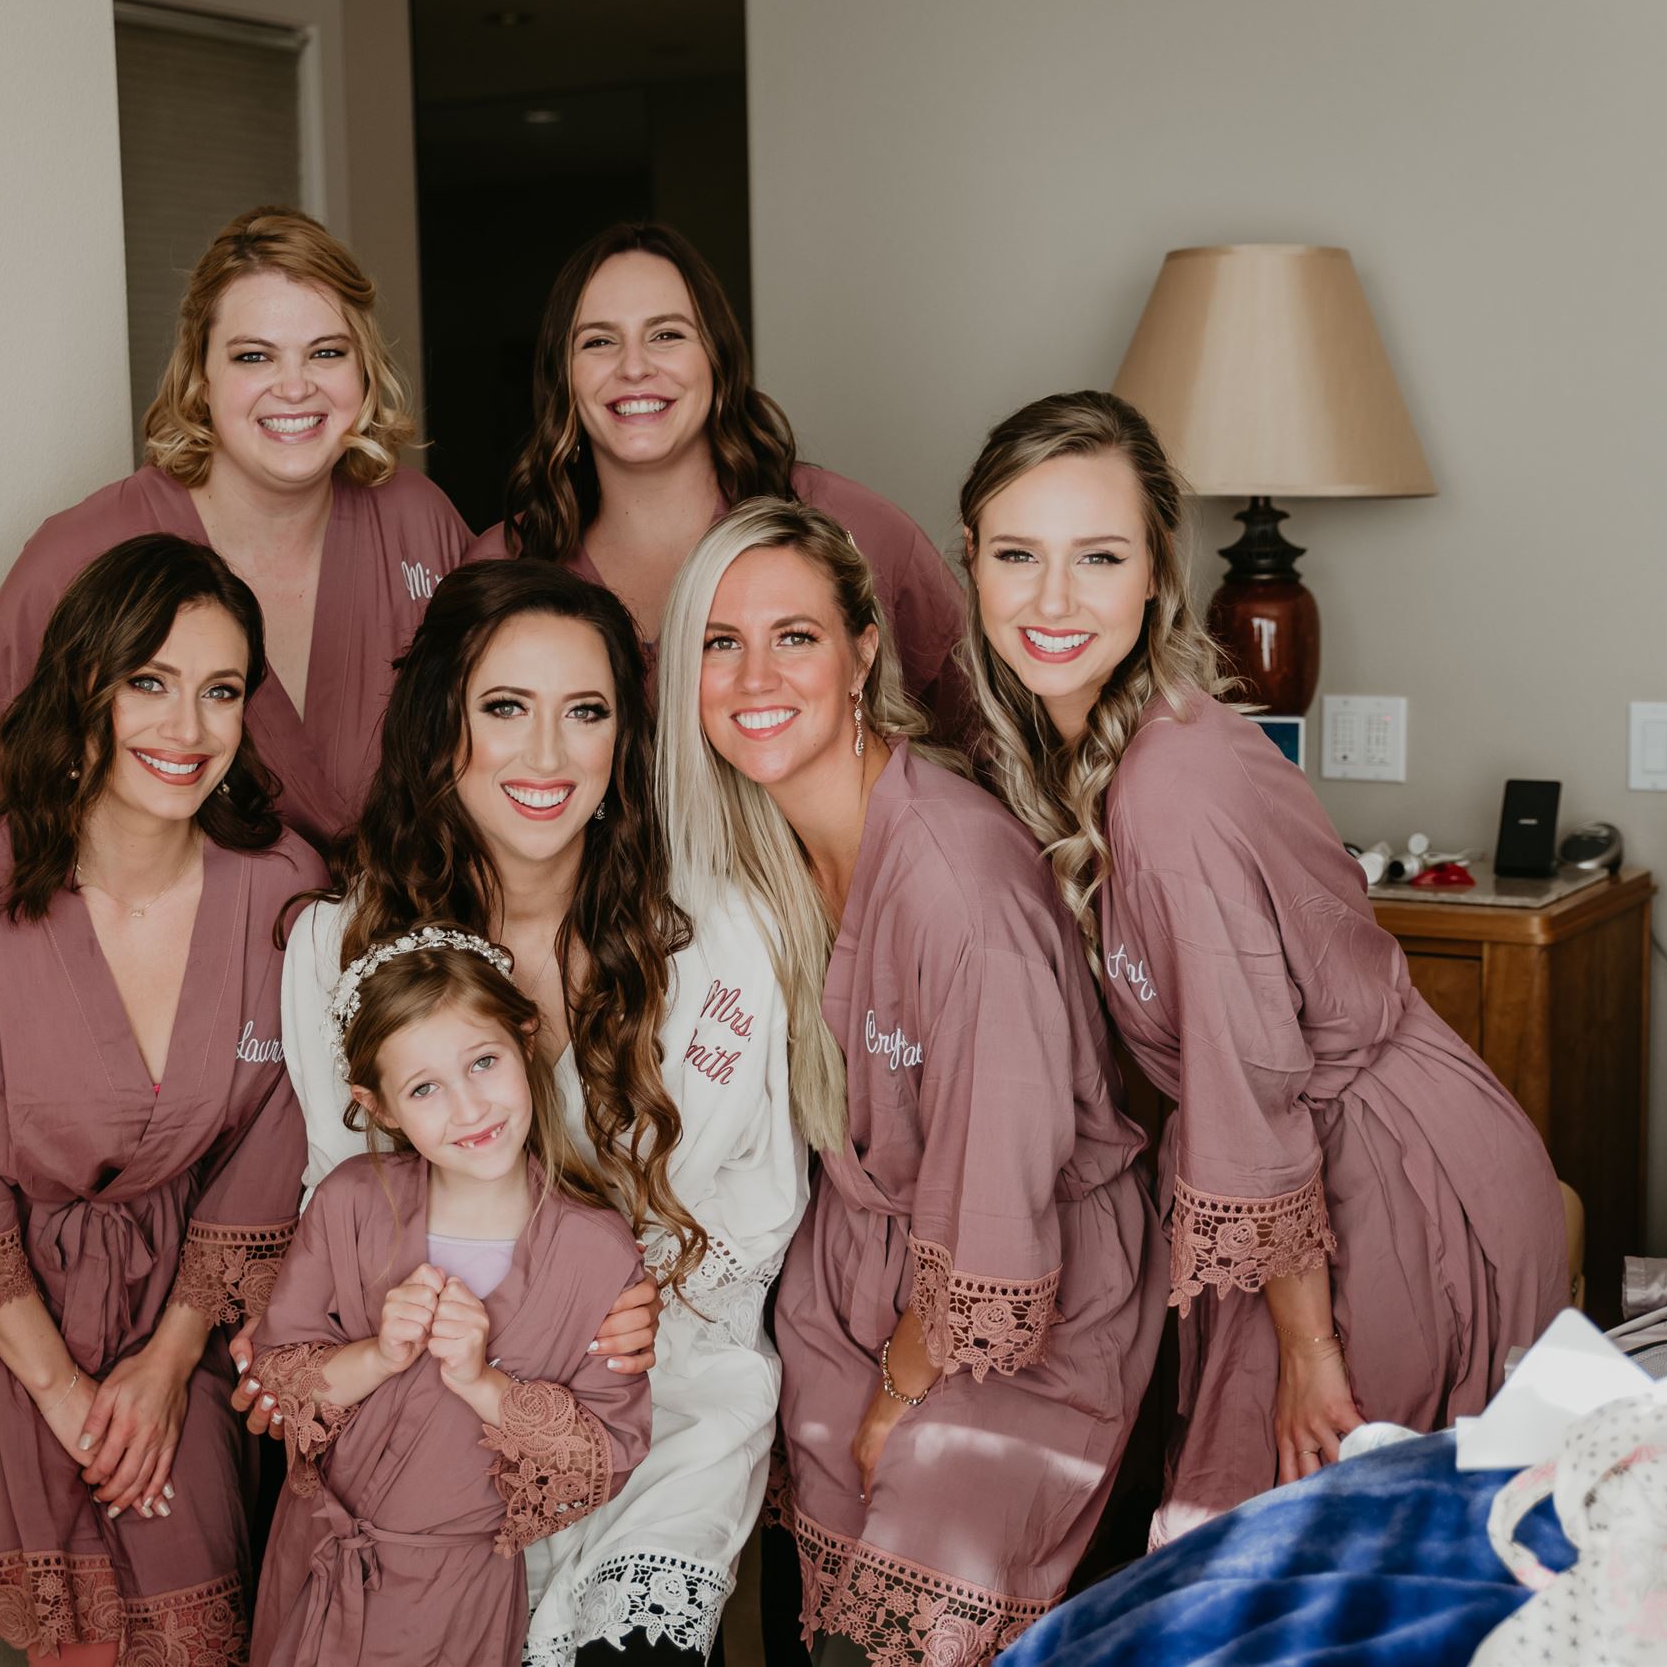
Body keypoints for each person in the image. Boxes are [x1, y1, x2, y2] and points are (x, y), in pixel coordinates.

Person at [951, 389, 1567, 1541]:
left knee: (1298, 1564)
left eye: (1096, 556)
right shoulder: (1081, 744)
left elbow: (1251, 1084)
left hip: (1373, 1181)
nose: (1049, 598)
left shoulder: (1167, 786)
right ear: (970, 564)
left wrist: (1305, 1347)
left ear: (1153, 573)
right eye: (1015, 554)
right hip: (1296, 1183)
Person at [259, 559, 808, 1666]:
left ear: (624, 743)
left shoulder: (714, 938)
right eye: (505, 708)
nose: (547, 755)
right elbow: (338, 1190)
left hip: (656, 1394)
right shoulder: (339, 943)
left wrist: (651, 1290)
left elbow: (755, 1191)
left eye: (585, 712)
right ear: (441, 731)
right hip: (430, 1422)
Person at [660, 502, 1161, 1666]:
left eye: (792, 636)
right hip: (851, 1294)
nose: (751, 676)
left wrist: (898, 1386)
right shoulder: (751, 858)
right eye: (717, 643)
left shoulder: (956, 887)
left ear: (864, 651)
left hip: (1008, 1305)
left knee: (888, 1643)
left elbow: (997, 1188)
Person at [0, 535, 323, 1665]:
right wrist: (66, 1392)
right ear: (87, 687)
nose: (187, 728)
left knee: (196, 1633)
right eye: (149, 683)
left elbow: (275, 1143)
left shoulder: (286, 890)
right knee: (79, 1651)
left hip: (184, 1316)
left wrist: (163, 1368)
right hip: (1, 1333)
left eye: (219, 691)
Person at [0, 207, 468, 847]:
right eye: (255, 356)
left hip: (407, 936)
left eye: (327, 352)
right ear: (200, 376)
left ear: (363, 370)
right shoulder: (75, 558)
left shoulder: (419, 523)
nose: (295, 386)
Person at [247, 931, 652, 1667]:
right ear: (380, 1105)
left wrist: (480, 1381)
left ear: (524, 1039)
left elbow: (605, 1458)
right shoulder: (349, 1205)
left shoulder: (598, 1254)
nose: (469, 1107)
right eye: (425, 1087)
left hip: (459, 1601)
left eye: (483, 1062)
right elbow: (277, 1377)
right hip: (317, 1568)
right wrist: (377, 1355)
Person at [469, 222, 968, 738]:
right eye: (598, 341)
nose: (634, 366)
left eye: (666, 335)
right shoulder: (502, 564)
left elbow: (982, 735)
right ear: (562, 377)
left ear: (717, 358)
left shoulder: (856, 528)